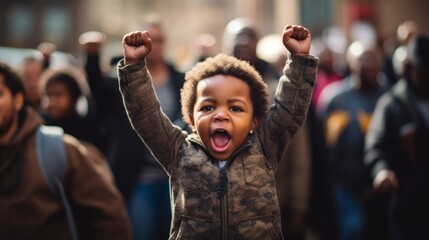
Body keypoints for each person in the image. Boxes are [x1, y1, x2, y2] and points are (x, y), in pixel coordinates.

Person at [118, 23, 318, 239]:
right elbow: (146, 116)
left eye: (235, 108)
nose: (221, 115)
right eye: (208, 107)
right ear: (192, 119)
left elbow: (289, 111)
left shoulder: (264, 147)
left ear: (254, 121)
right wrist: (134, 66)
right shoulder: (178, 152)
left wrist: (299, 59)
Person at [0, 61, 132, 239]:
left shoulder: (60, 148)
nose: (52, 103)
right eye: (48, 96)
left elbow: (109, 216)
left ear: (17, 100)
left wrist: (92, 57)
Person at [81, 16, 186, 240]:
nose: (153, 45)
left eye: (158, 39)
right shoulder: (122, 78)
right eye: (147, 39)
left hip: (176, 177)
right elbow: (98, 90)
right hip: (139, 177)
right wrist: (91, 56)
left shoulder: (179, 78)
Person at [318, 40, 388, 240]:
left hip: (380, 187)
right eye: (363, 60)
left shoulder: (388, 98)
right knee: (352, 231)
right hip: (345, 187)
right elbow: (323, 146)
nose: (369, 65)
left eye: (373, 60)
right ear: (351, 63)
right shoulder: (334, 98)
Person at [364, 33, 429, 240]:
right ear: (410, 68)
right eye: (424, 71)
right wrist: (382, 171)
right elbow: (375, 146)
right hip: (409, 209)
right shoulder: (392, 104)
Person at [38, 67, 107, 153]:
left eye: (58, 95)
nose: (52, 102)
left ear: (74, 98)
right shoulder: (40, 129)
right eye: (48, 95)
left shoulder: (88, 132)